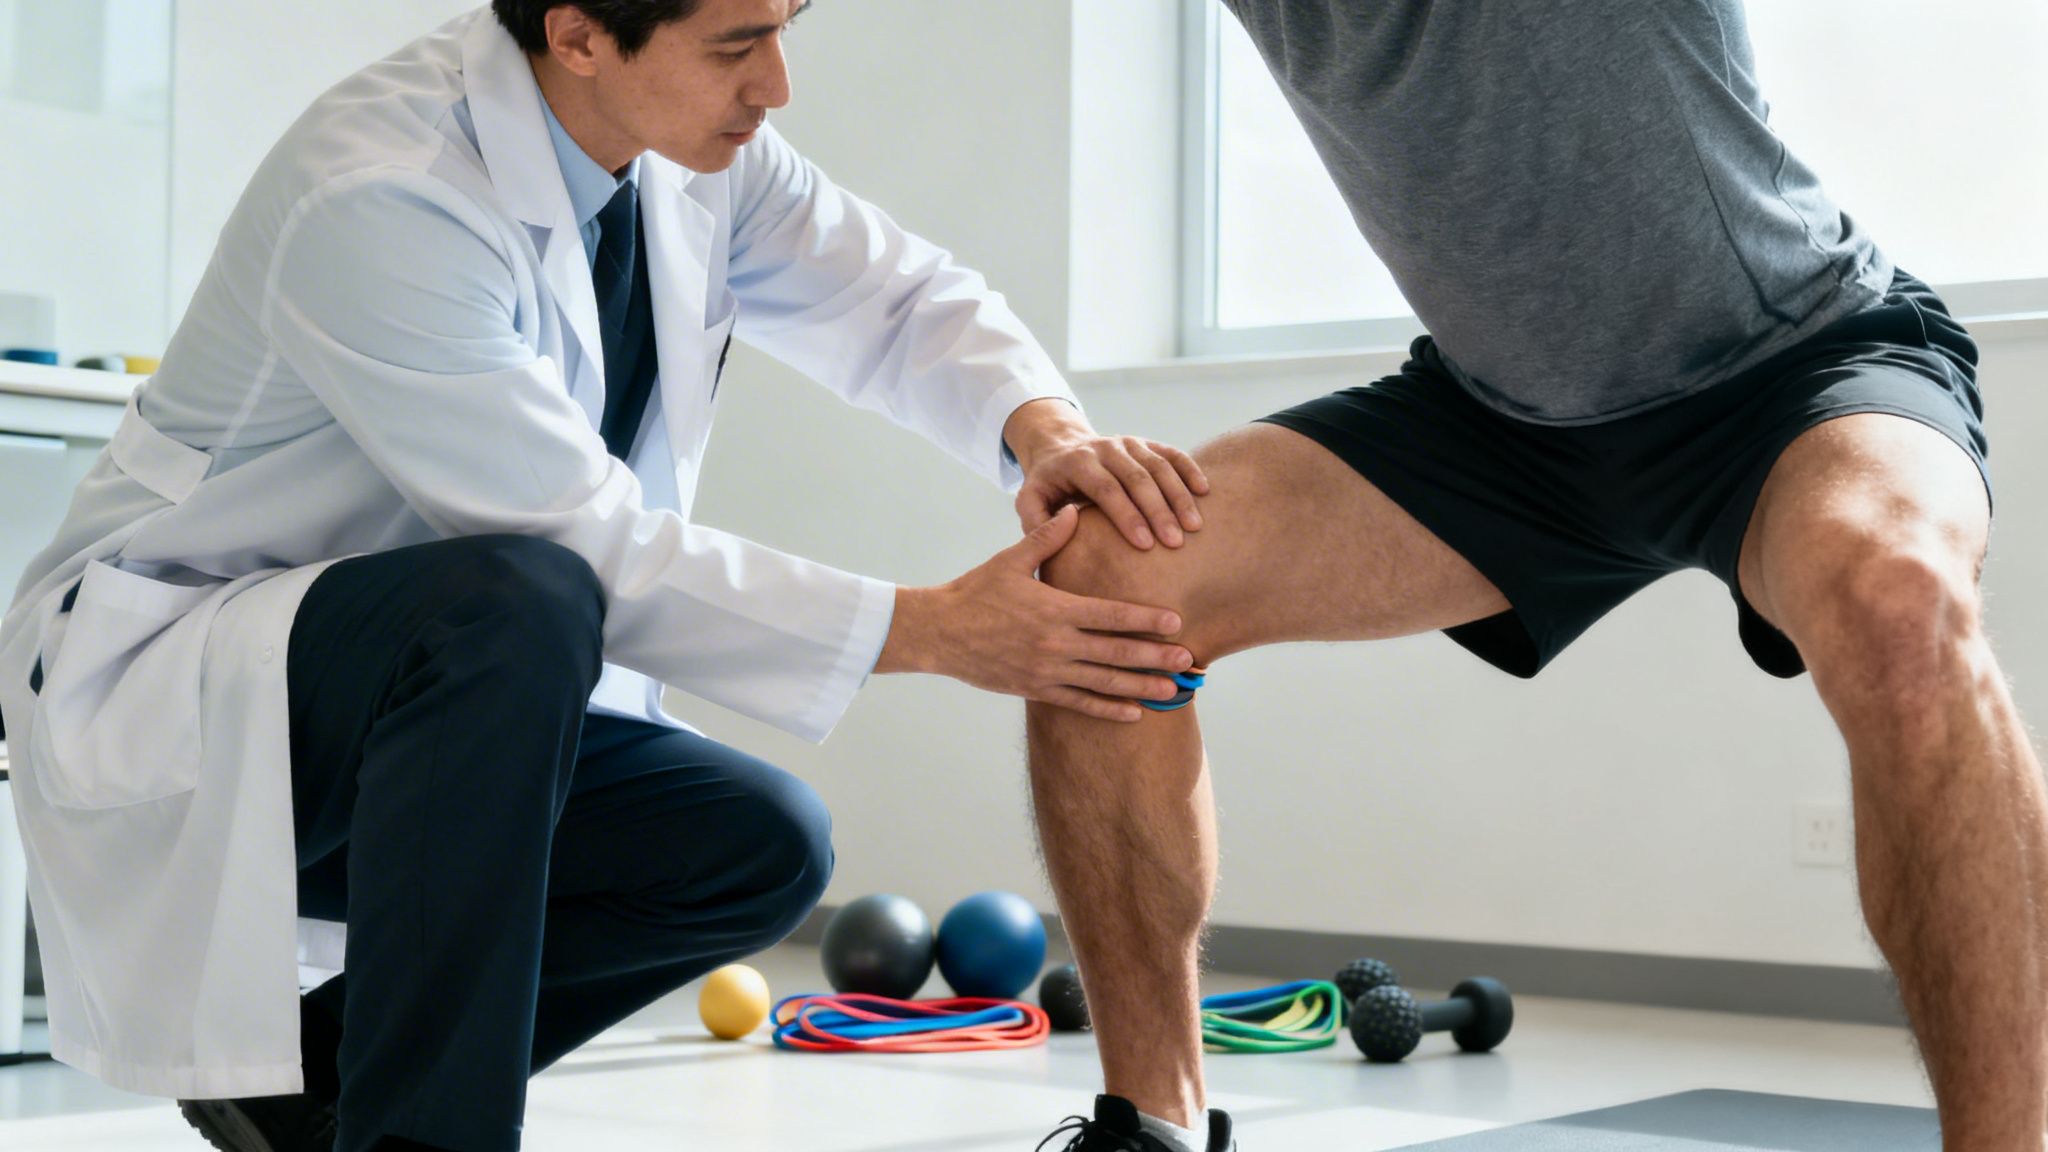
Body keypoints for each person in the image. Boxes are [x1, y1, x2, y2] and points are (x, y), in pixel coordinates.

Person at [0, 2, 1210, 1150]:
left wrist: (1044, 432)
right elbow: (582, 541)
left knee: (757, 844)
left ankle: (316, 1091)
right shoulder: (382, 188)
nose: (776, 86)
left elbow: (893, 296)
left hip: (426, 694)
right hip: (191, 685)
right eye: (736, 44)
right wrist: (939, 628)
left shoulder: (689, 155)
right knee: (519, 602)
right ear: (577, 33)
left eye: (785, 30)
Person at [1028, 4, 2035, 1152]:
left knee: (1897, 600)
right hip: (1500, 424)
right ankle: (1151, 1128)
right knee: (1103, 578)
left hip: (1787, 367)